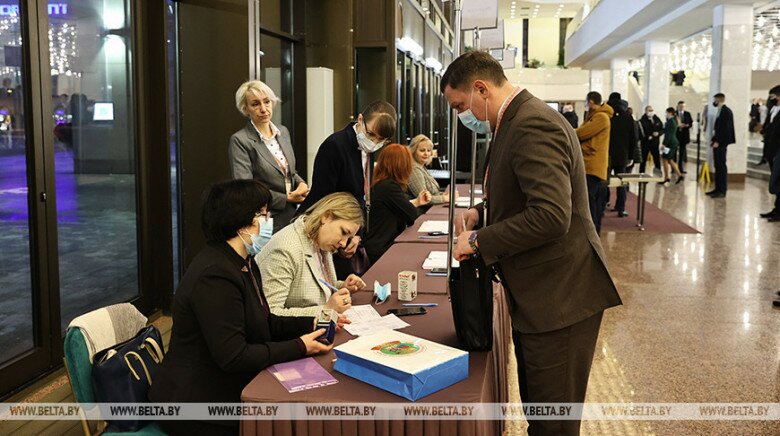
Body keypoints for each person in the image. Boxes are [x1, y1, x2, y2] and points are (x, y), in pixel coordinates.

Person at [441, 51, 621, 436]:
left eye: (459, 106)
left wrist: (477, 239)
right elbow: (520, 193)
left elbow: (551, 215)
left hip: (561, 298)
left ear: (480, 89)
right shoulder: (512, 121)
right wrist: (481, 212)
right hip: (542, 295)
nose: (461, 116)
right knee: (541, 413)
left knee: (552, 423)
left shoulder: (533, 123)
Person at [149, 179, 335, 435]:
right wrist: (299, 346)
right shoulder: (215, 274)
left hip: (220, 383)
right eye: (263, 214)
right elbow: (234, 356)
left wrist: (310, 323)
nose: (269, 220)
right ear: (241, 222)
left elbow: (263, 320)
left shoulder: (244, 261)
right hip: (194, 401)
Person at [298, 100, 397, 278]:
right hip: (322, 228)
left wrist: (356, 234)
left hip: (347, 230)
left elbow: (360, 195)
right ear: (360, 119)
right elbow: (324, 199)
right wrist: (345, 237)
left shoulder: (367, 148)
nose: (374, 142)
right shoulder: (335, 145)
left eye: (381, 140)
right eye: (371, 134)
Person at [257, 192, 367, 317]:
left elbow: (316, 285)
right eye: (343, 232)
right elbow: (271, 314)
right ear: (326, 217)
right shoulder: (285, 250)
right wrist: (325, 309)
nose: (343, 243)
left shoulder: (319, 239)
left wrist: (342, 286)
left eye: (349, 238)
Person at [229, 80, 309, 232]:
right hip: (266, 219)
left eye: (267, 102)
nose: (263, 109)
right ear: (245, 109)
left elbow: (289, 172)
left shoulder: (283, 132)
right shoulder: (240, 140)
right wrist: (286, 198)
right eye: (255, 104)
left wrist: (301, 184)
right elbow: (246, 189)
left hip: (293, 215)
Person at [364, 144, 432, 263]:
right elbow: (411, 214)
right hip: (382, 249)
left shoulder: (381, 184)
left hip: (378, 245)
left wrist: (416, 202)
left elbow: (400, 207)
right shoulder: (389, 187)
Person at [576, 91, 613, 234]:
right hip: (590, 164)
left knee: (591, 202)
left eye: (587, 102)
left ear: (591, 101)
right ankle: (592, 231)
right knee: (592, 200)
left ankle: (592, 232)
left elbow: (582, 133)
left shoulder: (601, 117)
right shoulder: (596, 116)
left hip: (592, 165)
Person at [606, 92, 635, 217]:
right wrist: (631, 155)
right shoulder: (628, 116)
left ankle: (603, 204)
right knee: (621, 182)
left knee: (605, 181)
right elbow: (633, 137)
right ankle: (620, 207)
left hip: (607, 154)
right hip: (622, 154)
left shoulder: (606, 115)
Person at [408, 134, 451, 205]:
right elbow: (424, 199)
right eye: (422, 150)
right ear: (413, 151)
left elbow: (432, 193)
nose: (426, 153)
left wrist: (443, 194)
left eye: (428, 150)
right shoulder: (414, 169)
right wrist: (444, 198)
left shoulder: (421, 167)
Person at [707, 93, 735, 198]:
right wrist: (714, 140)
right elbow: (718, 129)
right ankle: (717, 189)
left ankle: (722, 190)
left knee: (721, 166)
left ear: (719, 99)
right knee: (717, 166)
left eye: (715, 100)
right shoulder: (720, 111)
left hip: (721, 144)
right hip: (718, 142)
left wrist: (718, 141)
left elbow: (726, 130)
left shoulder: (726, 111)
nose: (714, 102)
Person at [760, 85, 780, 221]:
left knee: (778, 181)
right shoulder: (774, 109)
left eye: (773, 96)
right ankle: (776, 209)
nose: (771, 99)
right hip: (772, 150)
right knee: (776, 180)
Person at [660, 107, 684, 185]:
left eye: (666, 112)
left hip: (670, 143)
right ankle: (677, 175)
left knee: (665, 159)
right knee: (669, 160)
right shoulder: (673, 121)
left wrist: (664, 144)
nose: (665, 114)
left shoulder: (671, 122)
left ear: (670, 113)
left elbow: (668, 135)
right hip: (672, 142)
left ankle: (667, 177)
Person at [639, 105, 664, 174]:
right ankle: (641, 173)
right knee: (643, 160)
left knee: (657, 159)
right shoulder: (642, 120)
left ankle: (658, 173)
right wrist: (648, 136)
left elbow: (662, 129)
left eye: (652, 110)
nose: (651, 112)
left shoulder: (656, 119)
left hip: (655, 143)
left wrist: (658, 133)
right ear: (646, 111)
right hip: (645, 143)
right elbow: (641, 131)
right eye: (649, 110)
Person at [676, 101, 693, 173]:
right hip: (676, 135)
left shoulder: (687, 114)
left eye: (682, 106)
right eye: (680, 106)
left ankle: (680, 168)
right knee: (674, 152)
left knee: (682, 153)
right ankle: (674, 169)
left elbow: (691, 123)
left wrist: (687, 125)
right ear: (677, 106)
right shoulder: (674, 114)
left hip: (684, 136)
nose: (681, 107)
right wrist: (678, 125)